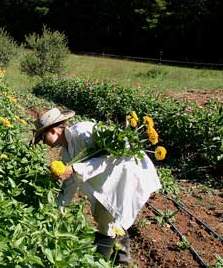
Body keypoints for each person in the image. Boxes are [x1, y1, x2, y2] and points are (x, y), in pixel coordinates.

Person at [34, 108, 161, 265]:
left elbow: (107, 158)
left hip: (126, 174)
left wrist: (74, 168)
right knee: (107, 217)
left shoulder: (84, 132)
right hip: (107, 182)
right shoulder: (66, 152)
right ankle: (113, 258)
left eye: (42, 138)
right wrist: (59, 209)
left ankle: (108, 260)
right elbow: (70, 182)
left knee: (111, 219)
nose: (43, 143)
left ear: (53, 130)